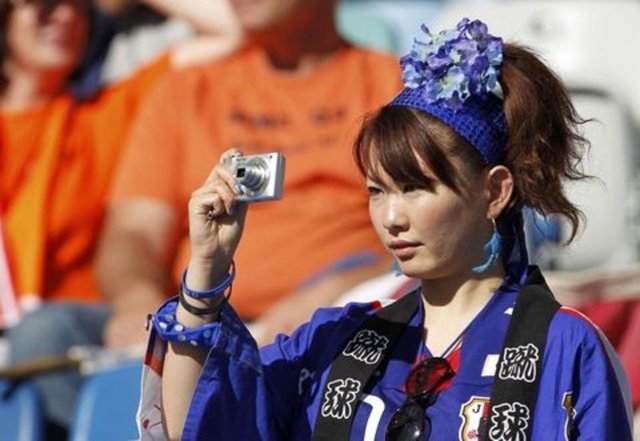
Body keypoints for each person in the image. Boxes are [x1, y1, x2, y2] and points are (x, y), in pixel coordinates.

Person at [137, 18, 633, 440]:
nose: (392, 217)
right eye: (377, 191)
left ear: (495, 191)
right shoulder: (335, 339)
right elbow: (200, 426)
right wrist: (207, 270)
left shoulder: (565, 345)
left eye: (416, 188)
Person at [96, 0, 401, 348]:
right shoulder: (185, 89)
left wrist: (345, 290)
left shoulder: (393, 85)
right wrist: (138, 301)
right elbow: (133, 232)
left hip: (347, 323)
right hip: (198, 325)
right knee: (55, 328)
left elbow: (440, 235)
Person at [0, 0, 237, 437]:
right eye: (45, 4)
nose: (67, 17)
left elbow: (234, 29)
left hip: (85, 336)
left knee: (40, 333)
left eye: (80, 6)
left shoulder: (106, 113)